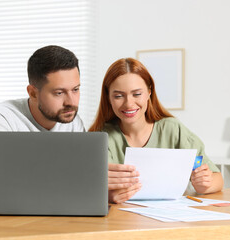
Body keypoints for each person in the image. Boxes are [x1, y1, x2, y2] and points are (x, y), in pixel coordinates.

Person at [89, 58, 223, 204]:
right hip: (120, 221)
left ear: (149, 92)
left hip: (172, 219)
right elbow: (86, 187)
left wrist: (205, 184)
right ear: (108, 97)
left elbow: (217, 178)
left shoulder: (173, 129)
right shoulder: (100, 137)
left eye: (137, 94)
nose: (128, 104)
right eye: (118, 96)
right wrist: (107, 196)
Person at [0, 45, 84, 196]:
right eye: (59, 93)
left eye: (75, 89)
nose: (71, 102)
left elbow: (77, 182)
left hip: (48, 211)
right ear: (33, 93)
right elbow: (11, 185)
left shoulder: (72, 121)